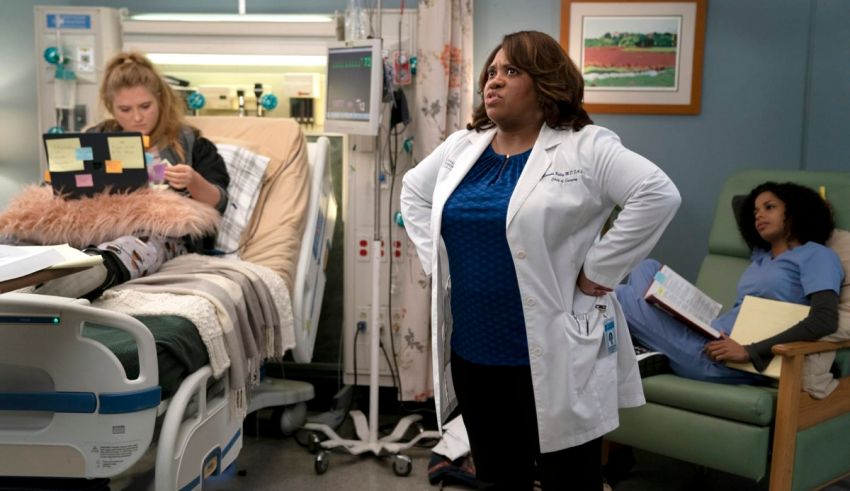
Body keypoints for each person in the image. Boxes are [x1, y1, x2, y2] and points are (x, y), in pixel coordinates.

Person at [400, 31, 681, 490]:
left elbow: (657, 194)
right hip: (475, 354)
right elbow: (413, 191)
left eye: (511, 71)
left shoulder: (585, 147)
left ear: (547, 82)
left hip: (553, 353)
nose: (493, 82)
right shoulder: (462, 148)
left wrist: (599, 270)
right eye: (491, 72)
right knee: (498, 478)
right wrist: (440, 264)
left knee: (570, 480)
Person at [36, 52, 230, 299]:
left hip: (160, 233)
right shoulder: (93, 137)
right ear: (111, 107)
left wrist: (193, 181)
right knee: (20, 232)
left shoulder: (192, 143)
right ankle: (22, 272)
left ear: (160, 99)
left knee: (141, 242)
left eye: (145, 107)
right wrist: (58, 180)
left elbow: (219, 201)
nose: (137, 117)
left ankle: (97, 269)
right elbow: (53, 193)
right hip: (96, 227)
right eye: (125, 109)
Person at [616, 181, 843, 384]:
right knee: (646, 267)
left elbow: (824, 320)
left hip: (722, 357)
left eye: (769, 207)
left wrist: (749, 351)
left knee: (619, 295)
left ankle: (647, 345)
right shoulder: (761, 255)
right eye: (756, 211)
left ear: (795, 211)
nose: (759, 216)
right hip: (709, 329)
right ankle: (652, 346)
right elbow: (739, 204)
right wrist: (763, 203)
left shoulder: (817, 255)